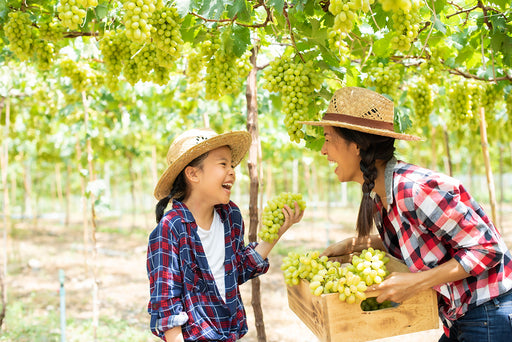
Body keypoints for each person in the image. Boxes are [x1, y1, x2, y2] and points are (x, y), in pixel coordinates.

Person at [299, 87, 512, 342]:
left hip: (489, 310)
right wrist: (353, 244)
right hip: (460, 313)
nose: (323, 150)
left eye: (327, 139)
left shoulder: (413, 191)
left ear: (356, 146)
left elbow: (488, 248)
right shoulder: (382, 195)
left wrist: (416, 282)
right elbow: (414, 237)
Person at [147, 128, 304, 342]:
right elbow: (166, 304)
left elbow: (237, 269)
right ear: (193, 174)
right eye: (223, 164)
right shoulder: (171, 229)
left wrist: (276, 234)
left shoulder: (230, 215)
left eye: (232, 165)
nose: (232, 172)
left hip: (230, 334)